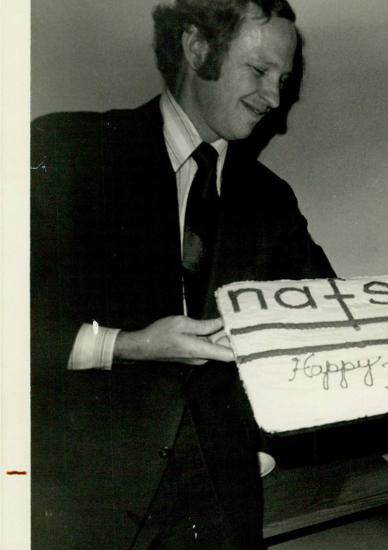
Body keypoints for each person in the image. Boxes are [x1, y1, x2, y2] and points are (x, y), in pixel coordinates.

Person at [30, 1, 334, 547]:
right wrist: (126, 345)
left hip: (220, 516)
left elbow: (331, 325)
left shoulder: (271, 199)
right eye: (260, 71)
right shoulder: (67, 151)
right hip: (84, 507)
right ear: (197, 48)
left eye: (283, 80)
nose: (275, 100)